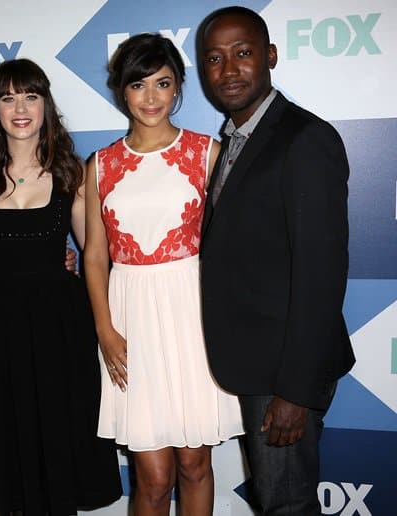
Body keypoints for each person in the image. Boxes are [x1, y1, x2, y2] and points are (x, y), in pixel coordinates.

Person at [198, 7, 356, 515]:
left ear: (269, 56)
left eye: (242, 54)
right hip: (257, 363)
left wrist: (295, 391)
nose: (228, 70)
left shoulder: (304, 139)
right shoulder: (236, 141)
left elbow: (321, 276)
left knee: (286, 505)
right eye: (215, 59)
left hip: (284, 373)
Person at [84, 33, 244, 515]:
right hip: (130, 321)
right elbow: (95, 256)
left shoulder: (206, 154)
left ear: (177, 89)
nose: (151, 97)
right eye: (139, 85)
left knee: (195, 464)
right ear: (121, 91)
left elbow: (232, 246)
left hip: (194, 319)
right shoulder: (100, 166)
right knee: (151, 477)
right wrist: (106, 331)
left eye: (163, 84)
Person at [0, 58, 122, 516]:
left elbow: (95, 254)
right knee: (3, 449)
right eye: (7, 98)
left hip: (59, 328)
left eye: (30, 95)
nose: (20, 108)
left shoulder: (71, 171)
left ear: (45, 103)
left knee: (58, 443)